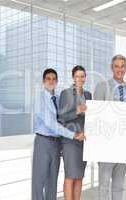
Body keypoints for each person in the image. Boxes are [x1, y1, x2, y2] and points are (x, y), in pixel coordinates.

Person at [32, 68, 84, 200]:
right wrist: (73, 135)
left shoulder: (59, 98)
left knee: (52, 181)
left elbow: (63, 119)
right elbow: (51, 124)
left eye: (54, 79)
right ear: (43, 81)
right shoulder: (40, 98)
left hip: (56, 143)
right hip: (43, 142)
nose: (51, 81)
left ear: (57, 81)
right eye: (48, 78)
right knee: (39, 181)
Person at [94, 54, 126, 200]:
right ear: (112, 68)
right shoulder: (102, 86)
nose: (120, 69)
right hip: (107, 144)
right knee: (104, 184)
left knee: (119, 184)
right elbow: (95, 115)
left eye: (122, 66)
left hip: (123, 144)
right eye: (116, 66)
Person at [58, 65, 92, 200]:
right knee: (70, 176)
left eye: (82, 76)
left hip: (84, 140)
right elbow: (61, 117)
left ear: (85, 78)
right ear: (73, 77)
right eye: (77, 76)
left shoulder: (88, 94)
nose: (80, 79)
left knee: (79, 176)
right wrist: (77, 111)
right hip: (70, 141)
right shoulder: (66, 93)